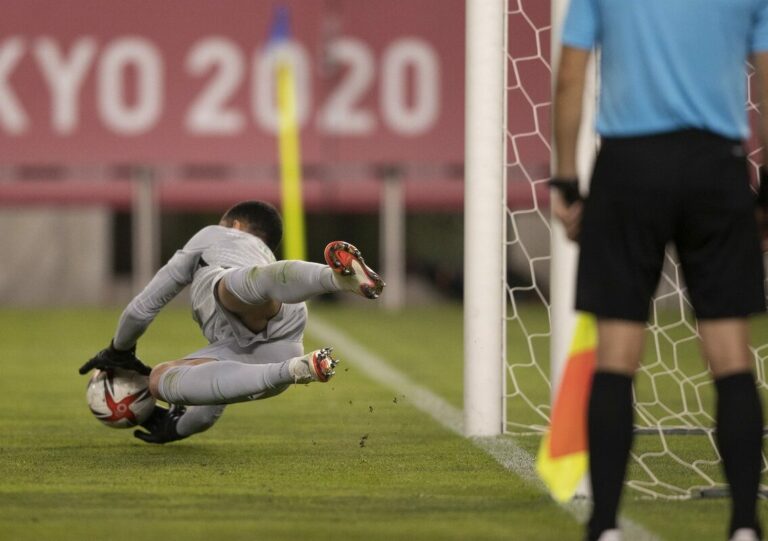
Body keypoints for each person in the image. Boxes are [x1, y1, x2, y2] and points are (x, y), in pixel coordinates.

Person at [550, 1, 768, 540]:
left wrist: (568, 181)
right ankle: (744, 525)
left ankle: (604, 527)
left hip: (628, 169)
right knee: (730, 354)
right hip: (715, 167)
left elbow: (570, 76)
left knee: (616, 356)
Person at [78, 200, 385, 444]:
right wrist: (181, 426)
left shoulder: (216, 234)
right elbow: (213, 400)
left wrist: (120, 348)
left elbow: (144, 307)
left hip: (249, 312)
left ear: (235, 226)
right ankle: (299, 366)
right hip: (284, 340)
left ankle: (330, 281)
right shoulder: (259, 259)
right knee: (158, 379)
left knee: (233, 287)